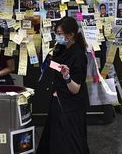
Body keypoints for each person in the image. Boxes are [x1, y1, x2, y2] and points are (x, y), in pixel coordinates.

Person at [37, 17, 89, 154]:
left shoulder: (78, 56)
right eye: (57, 33)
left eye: (60, 33)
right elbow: (56, 66)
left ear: (71, 35)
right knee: (52, 140)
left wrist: (67, 77)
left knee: (68, 143)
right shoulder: (61, 48)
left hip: (70, 107)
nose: (57, 36)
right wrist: (49, 61)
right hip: (57, 100)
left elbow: (75, 89)